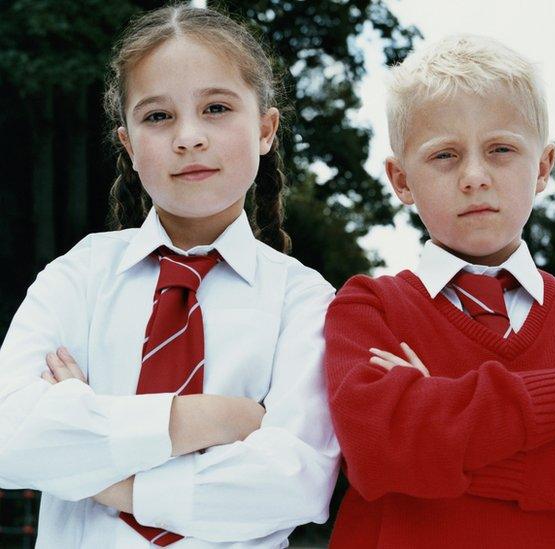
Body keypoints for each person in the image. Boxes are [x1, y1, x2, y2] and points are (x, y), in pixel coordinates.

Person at [323, 34, 555, 548]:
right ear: (400, 180)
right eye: (444, 155)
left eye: (501, 149)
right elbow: (381, 449)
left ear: (542, 167)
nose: (475, 177)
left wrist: (442, 430)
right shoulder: (367, 306)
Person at [0, 5, 340, 547]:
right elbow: (9, 436)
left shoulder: (306, 302)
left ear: (266, 130)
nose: (188, 137)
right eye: (157, 116)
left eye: (216, 108)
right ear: (129, 145)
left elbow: (294, 485)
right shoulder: (78, 276)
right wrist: (200, 419)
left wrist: (103, 471)